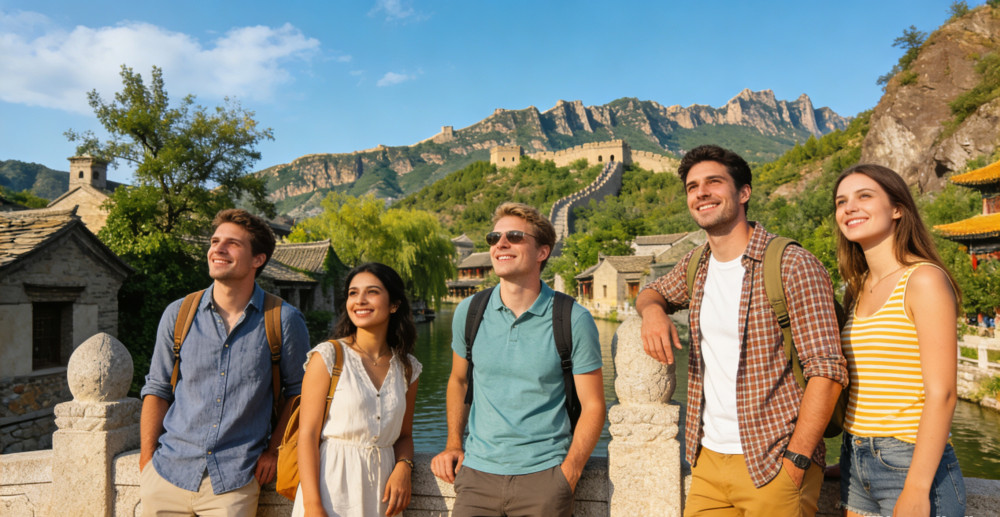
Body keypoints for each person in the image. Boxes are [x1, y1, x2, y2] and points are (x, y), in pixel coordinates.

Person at [636, 145, 848, 516]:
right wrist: (653, 311)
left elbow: (827, 371)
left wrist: (796, 460)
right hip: (707, 462)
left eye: (714, 182)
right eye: (692, 186)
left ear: (743, 192)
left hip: (773, 458)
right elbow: (651, 291)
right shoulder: (697, 264)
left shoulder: (792, 264)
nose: (700, 192)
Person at [430, 202, 605, 517]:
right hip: (476, 477)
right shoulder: (468, 312)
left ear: (542, 252)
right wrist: (453, 443)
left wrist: (569, 473)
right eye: (494, 238)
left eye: (514, 236)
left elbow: (593, 404)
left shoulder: (572, 319)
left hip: (545, 479)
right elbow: (459, 380)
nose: (500, 244)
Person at [139, 208, 310, 516]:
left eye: (232, 243)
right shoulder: (178, 314)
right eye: (215, 240)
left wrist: (274, 450)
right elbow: (157, 388)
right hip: (167, 475)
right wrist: (146, 460)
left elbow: (298, 394)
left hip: (234, 482)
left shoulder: (284, 320)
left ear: (258, 259)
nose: (217, 248)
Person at [833, 164, 966, 517]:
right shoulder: (857, 288)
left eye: (864, 196)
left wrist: (918, 487)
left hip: (909, 461)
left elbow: (944, 393)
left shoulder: (923, 280)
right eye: (841, 201)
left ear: (897, 209)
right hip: (855, 456)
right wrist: (853, 459)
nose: (849, 207)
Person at [293, 262, 421, 517]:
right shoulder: (328, 356)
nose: (360, 300)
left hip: (382, 495)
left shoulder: (408, 368)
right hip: (331, 490)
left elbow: (404, 436)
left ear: (394, 304)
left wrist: (404, 467)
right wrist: (312, 505)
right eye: (353, 293)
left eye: (372, 292)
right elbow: (306, 435)